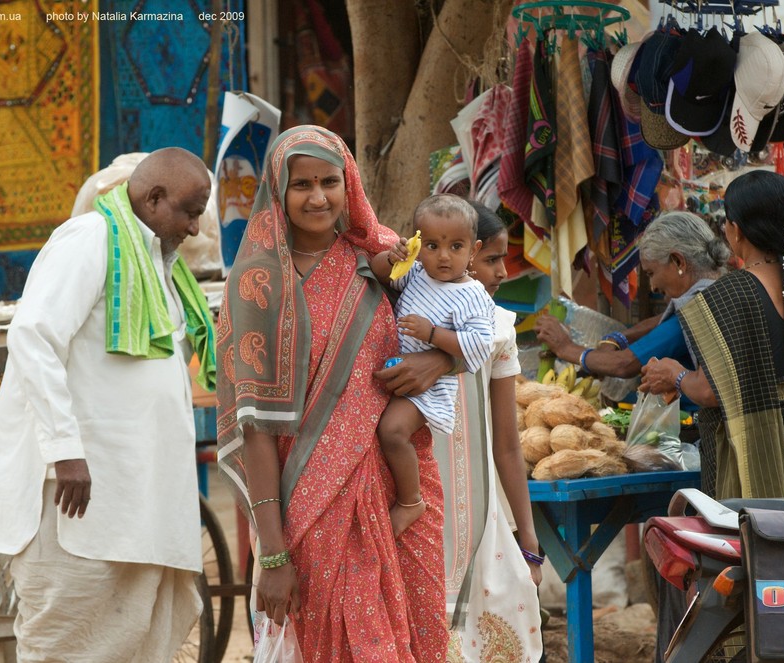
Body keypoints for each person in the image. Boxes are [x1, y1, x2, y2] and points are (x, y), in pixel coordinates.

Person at [216, 125, 450, 661]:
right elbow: (256, 426)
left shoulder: (390, 259)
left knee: (421, 638)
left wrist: (437, 359)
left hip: (400, 493)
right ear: (278, 191)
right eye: (302, 184)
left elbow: (473, 322)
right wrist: (272, 556)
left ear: (350, 185)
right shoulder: (257, 282)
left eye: (329, 181)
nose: (318, 197)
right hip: (309, 502)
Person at [0, 147, 218, 661]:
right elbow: (33, 338)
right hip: (79, 501)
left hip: (131, 505)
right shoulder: (90, 238)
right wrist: (66, 450)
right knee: (65, 645)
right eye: (190, 212)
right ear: (153, 198)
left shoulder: (161, 265)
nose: (196, 229)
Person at [641, 170, 784, 500]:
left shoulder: (724, 296)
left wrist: (675, 374)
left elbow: (709, 392)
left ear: (735, 230)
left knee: (755, 553)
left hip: (756, 483)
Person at [434, 201, 544, 660]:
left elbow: (506, 445)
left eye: (503, 258)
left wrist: (529, 538)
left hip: (482, 512)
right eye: (492, 259)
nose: (503, 271)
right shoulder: (405, 325)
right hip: (421, 508)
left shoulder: (499, 328)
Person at [371, 194, 494, 537]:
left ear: (473, 249)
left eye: (456, 246)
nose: (443, 256)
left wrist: (434, 334)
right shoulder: (418, 275)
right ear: (418, 245)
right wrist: (391, 257)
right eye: (433, 246)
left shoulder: (472, 295)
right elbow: (383, 275)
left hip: (430, 389)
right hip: (400, 371)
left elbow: (477, 347)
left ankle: (411, 501)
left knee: (392, 431)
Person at [535, 211, 729, 387]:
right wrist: (619, 338)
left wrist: (565, 347)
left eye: (651, 273)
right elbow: (662, 322)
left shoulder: (696, 310)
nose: (653, 286)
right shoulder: (718, 290)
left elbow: (624, 364)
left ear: (678, 261)